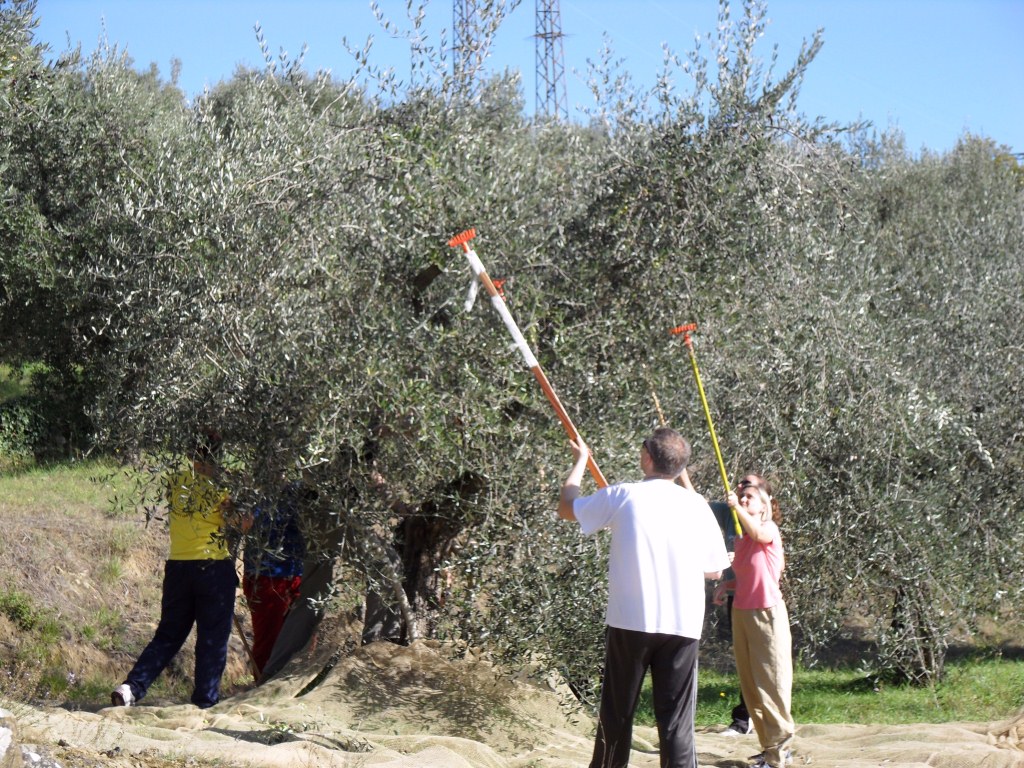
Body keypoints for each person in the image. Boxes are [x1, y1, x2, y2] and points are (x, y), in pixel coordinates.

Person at [558, 427, 731, 768]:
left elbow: (566, 507)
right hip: (682, 625)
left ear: (648, 458)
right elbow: (714, 571)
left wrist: (582, 460)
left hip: (631, 621)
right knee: (677, 722)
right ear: (680, 467)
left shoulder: (623, 495)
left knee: (617, 714)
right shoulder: (697, 506)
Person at [111, 429, 247, 709]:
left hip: (178, 568)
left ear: (190, 455)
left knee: (169, 633)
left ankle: (131, 688)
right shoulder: (220, 488)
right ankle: (205, 701)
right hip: (212, 568)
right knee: (212, 638)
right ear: (218, 457)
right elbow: (241, 524)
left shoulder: (176, 482)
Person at [713, 475, 795, 768]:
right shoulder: (741, 539)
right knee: (750, 687)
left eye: (750, 497)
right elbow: (752, 577)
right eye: (741, 496)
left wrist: (735, 507)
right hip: (742, 613)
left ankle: (780, 753)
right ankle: (769, 748)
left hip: (766, 615)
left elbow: (761, 536)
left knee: (771, 684)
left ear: (765, 507)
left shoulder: (768, 529)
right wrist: (727, 587)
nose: (744, 499)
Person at [242, 480, 306, 678]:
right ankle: (261, 689)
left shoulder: (303, 489)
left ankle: (290, 687)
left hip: (296, 574)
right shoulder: (255, 490)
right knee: (268, 640)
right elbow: (241, 526)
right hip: (265, 576)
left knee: (300, 639)